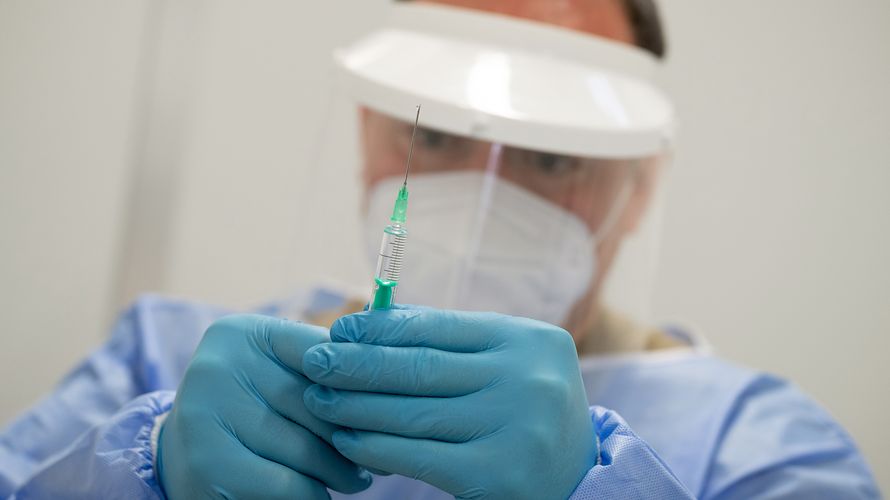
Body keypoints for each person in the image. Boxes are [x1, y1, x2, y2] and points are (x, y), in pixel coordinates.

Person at [0, 1, 880, 499]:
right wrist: (136, 476)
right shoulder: (161, 363)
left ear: (639, 184)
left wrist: (599, 490)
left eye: (549, 156)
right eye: (440, 138)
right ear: (368, 131)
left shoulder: (758, 446)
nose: (481, 194)